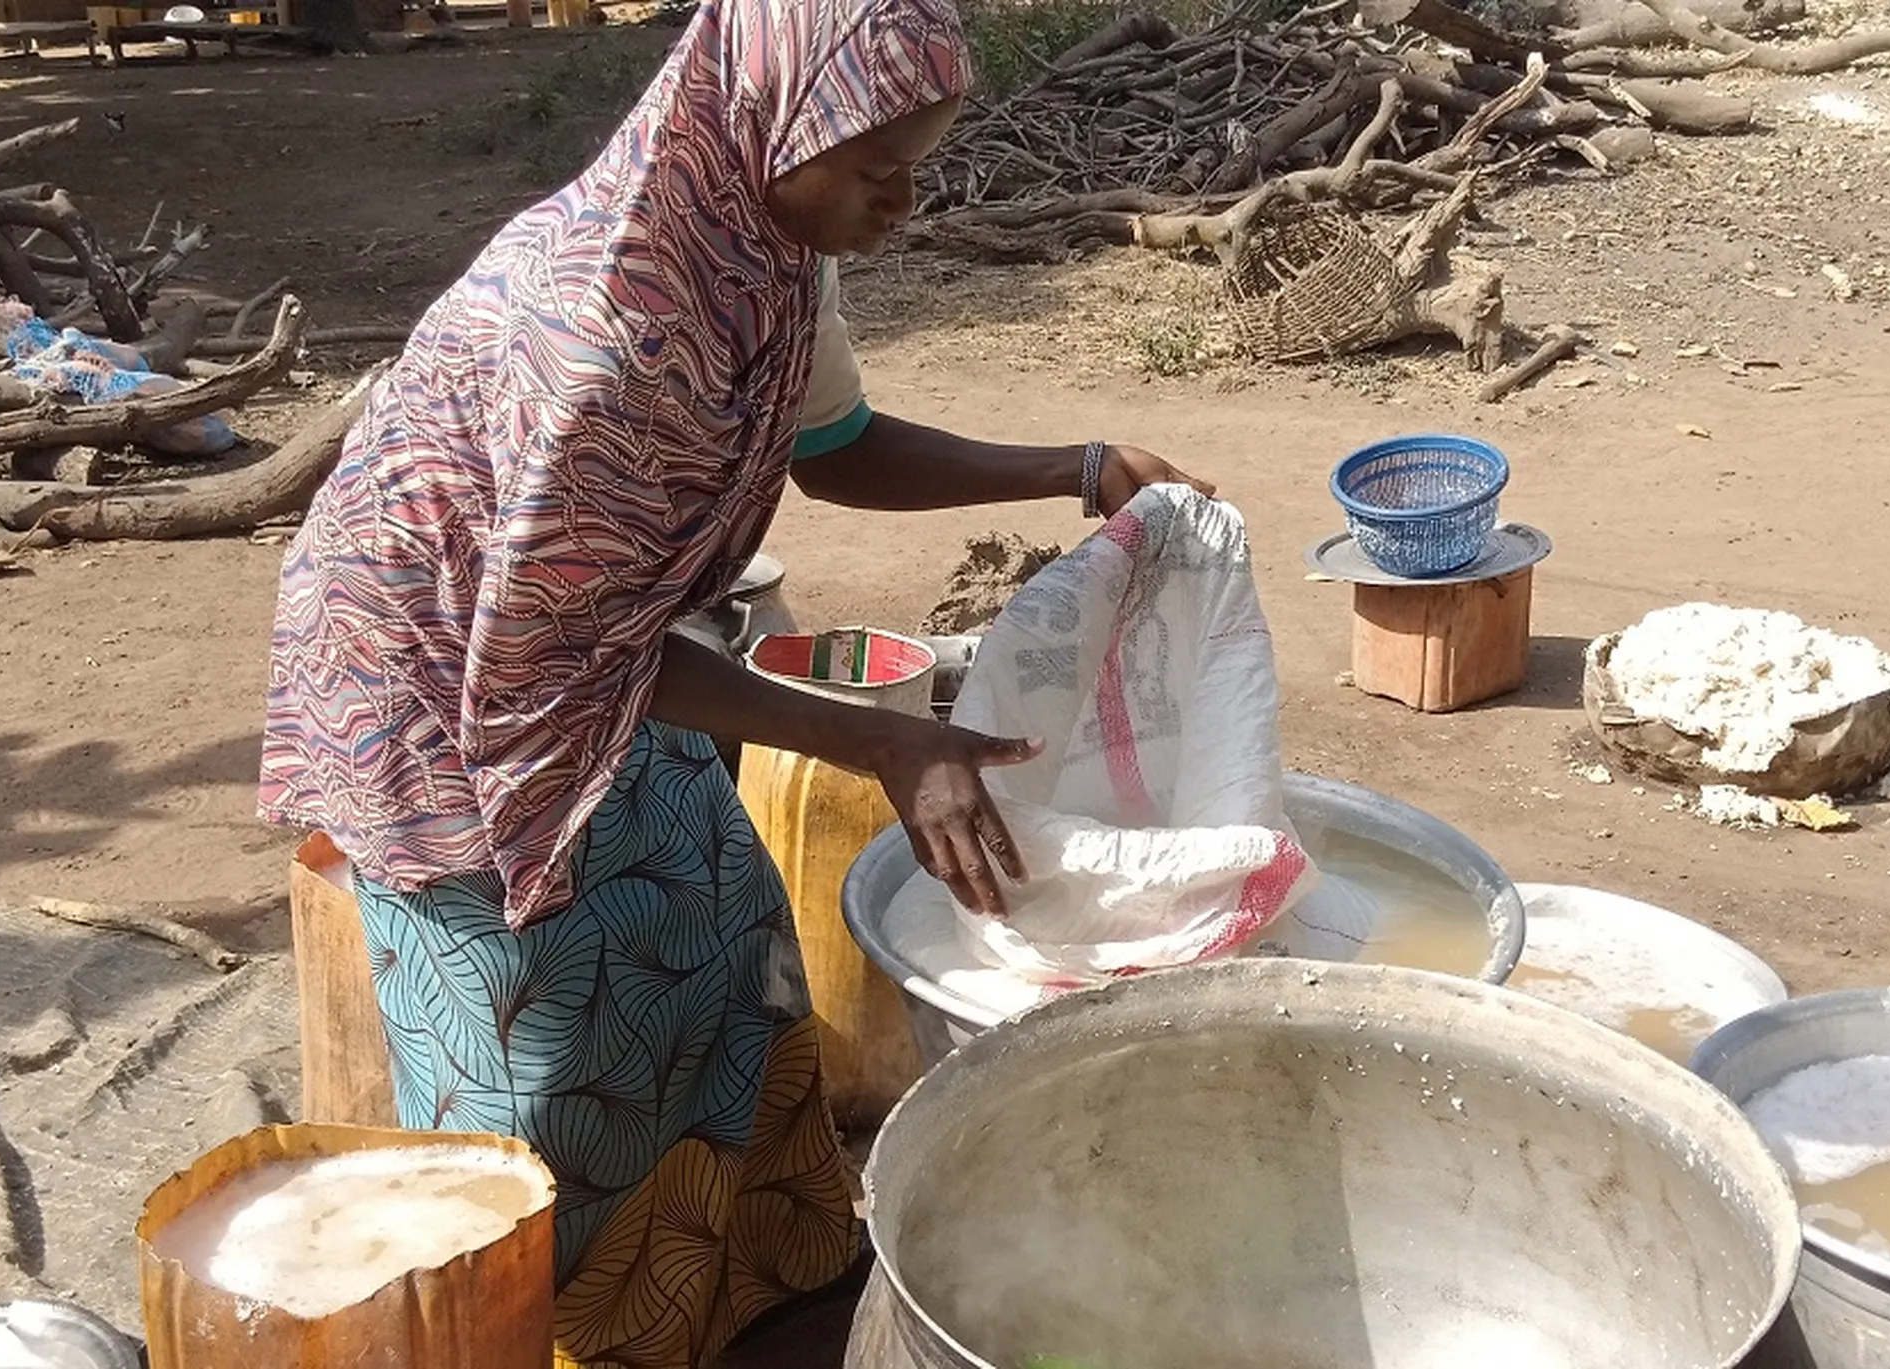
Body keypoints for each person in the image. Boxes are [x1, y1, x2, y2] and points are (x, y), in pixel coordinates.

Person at [257, 0, 1211, 1364]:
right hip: (436, 685)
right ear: (780, 123)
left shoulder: (764, 242)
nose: (905, 202)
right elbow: (552, 663)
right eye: (879, 170)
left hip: (609, 639)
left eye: (921, 164)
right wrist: (875, 742)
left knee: (724, 925)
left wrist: (1076, 468)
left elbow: (838, 445)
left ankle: (748, 1276)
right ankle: (577, 1329)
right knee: (549, 1027)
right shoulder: (612, 332)